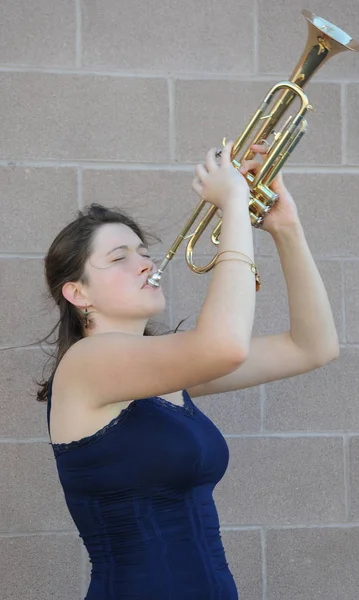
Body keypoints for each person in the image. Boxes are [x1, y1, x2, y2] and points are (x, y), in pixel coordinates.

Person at [41, 141, 339, 599]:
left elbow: (311, 347)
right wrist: (234, 205)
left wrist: (286, 228)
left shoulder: (162, 369)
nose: (144, 262)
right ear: (78, 294)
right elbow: (223, 346)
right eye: (119, 258)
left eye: (143, 252)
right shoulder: (87, 362)